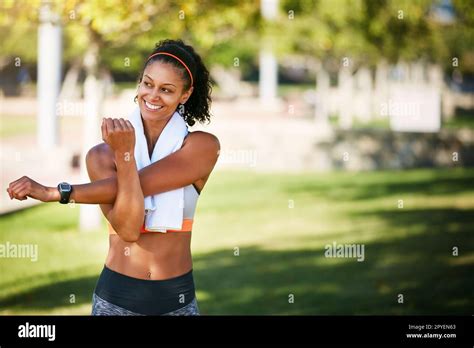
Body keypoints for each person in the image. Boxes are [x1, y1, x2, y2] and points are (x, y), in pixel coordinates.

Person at [6, 39, 220, 316]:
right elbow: (129, 230)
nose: (153, 96)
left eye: (166, 90)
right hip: (117, 301)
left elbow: (138, 184)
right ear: (139, 84)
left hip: (177, 301)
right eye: (147, 84)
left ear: (185, 94)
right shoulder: (101, 156)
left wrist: (54, 192)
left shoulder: (201, 147)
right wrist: (124, 154)